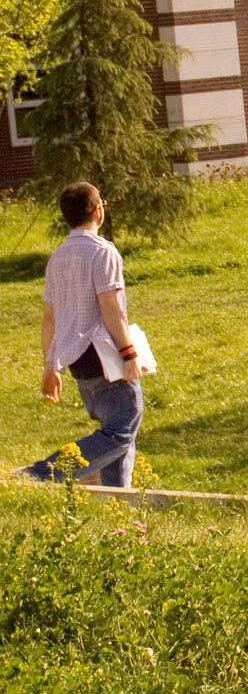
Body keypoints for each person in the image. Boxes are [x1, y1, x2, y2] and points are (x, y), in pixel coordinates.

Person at [22, 182, 143, 488]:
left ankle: (119, 499)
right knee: (120, 432)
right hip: (105, 356)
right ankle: (41, 474)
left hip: (77, 361)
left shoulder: (57, 257)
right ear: (98, 209)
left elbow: (50, 316)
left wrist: (51, 367)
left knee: (113, 435)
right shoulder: (103, 251)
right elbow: (111, 308)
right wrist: (129, 353)